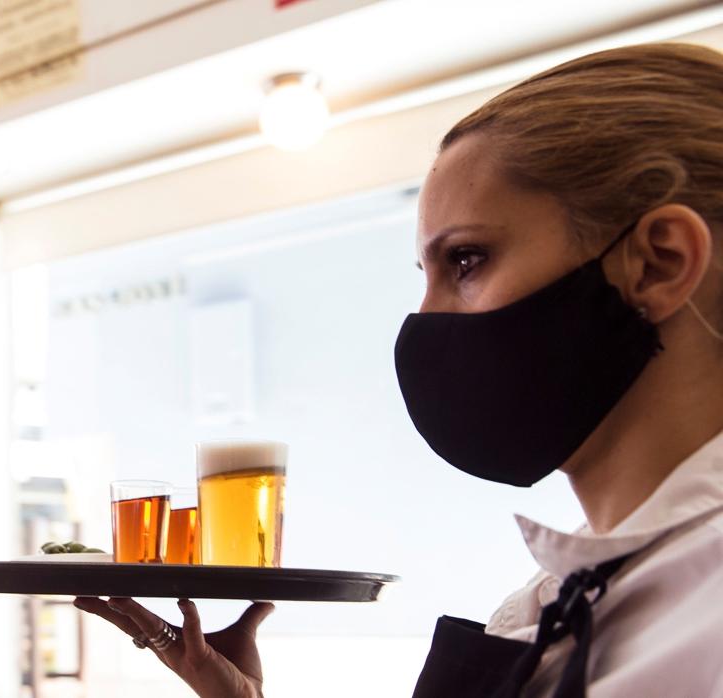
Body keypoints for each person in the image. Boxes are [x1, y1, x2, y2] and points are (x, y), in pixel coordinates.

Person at [76, 42, 723, 697]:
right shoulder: (569, 587)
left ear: (657, 263)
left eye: (467, 261)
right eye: (427, 275)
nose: (425, 324)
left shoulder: (700, 610)